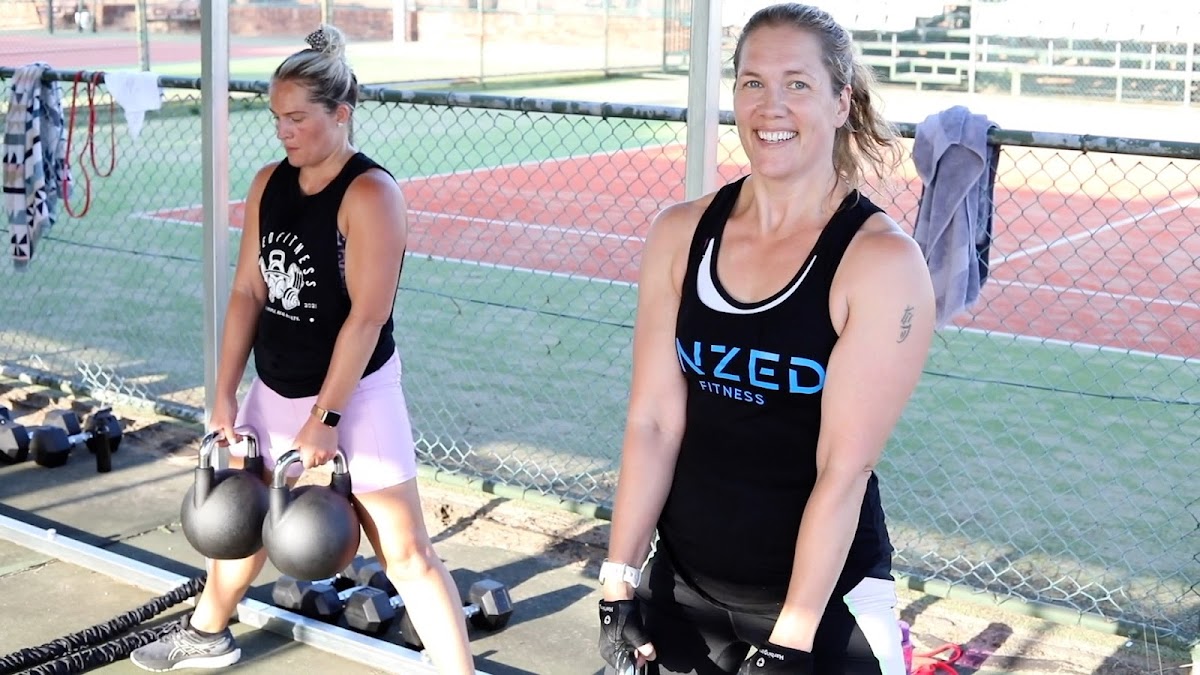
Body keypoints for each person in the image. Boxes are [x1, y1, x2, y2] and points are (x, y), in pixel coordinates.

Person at [597, 4, 935, 674]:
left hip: (821, 603)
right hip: (686, 582)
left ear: (842, 101)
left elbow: (844, 469)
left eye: (797, 84)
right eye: (752, 82)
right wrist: (617, 582)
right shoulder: (679, 232)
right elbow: (655, 421)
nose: (770, 106)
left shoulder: (879, 263)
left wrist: (790, 641)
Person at [130, 24, 476, 674]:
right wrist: (224, 393)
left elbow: (368, 318)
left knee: (404, 553)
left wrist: (327, 418)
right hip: (276, 385)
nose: (284, 132)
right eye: (276, 119)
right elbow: (245, 293)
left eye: (297, 118)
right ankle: (208, 631)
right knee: (240, 514)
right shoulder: (270, 183)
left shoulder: (371, 194)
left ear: (340, 113)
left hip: (356, 393)